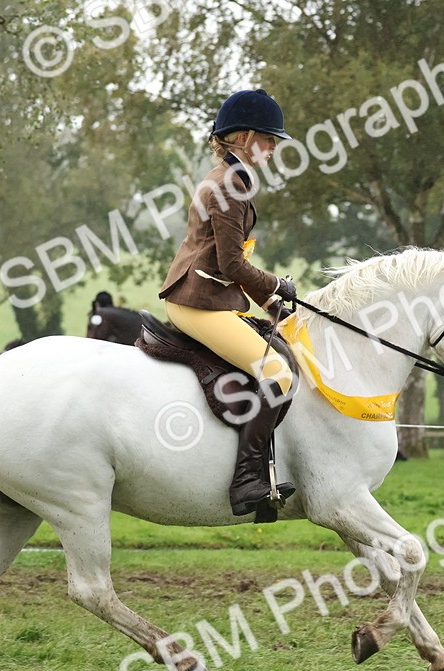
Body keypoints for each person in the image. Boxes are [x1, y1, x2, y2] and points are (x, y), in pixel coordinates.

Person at [158, 88, 297, 516]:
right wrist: (278, 285)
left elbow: (234, 263)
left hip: (211, 295)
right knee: (278, 373)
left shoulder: (231, 179)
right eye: (269, 139)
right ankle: (246, 481)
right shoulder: (230, 185)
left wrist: (270, 302)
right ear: (244, 136)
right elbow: (232, 262)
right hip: (198, 301)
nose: (274, 147)